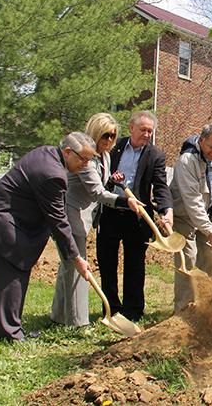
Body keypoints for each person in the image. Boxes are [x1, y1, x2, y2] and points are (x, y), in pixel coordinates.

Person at [0, 132, 94, 341]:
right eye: (83, 159)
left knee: (16, 277)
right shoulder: (53, 173)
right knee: (10, 279)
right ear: (68, 152)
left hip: (11, 220)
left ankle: (11, 330)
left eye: (90, 160)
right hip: (3, 221)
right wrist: (76, 258)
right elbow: (58, 220)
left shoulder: (46, 153)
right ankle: (8, 335)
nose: (86, 165)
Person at [50, 113, 142, 327]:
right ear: (95, 133)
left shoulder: (105, 156)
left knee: (69, 267)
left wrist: (111, 180)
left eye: (113, 136)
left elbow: (102, 185)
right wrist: (125, 201)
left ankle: (58, 316)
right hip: (72, 216)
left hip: (85, 216)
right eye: (105, 135)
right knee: (76, 269)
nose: (109, 140)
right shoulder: (88, 160)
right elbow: (96, 193)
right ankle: (76, 322)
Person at [96, 110, 173, 322]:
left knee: (135, 265)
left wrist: (167, 210)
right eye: (143, 130)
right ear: (131, 128)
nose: (147, 134)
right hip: (111, 214)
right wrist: (112, 180)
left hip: (137, 219)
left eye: (150, 131)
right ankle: (110, 308)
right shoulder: (114, 148)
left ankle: (133, 310)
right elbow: (101, 181)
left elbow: (160, 186)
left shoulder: (155, 155)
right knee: (107, 263)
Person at [170, 123, 212, 312]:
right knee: (187, 261)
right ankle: (184, 310)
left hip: (209, 215)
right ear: (201, 141)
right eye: (211, 147)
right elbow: (192, 200)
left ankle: (211, 307)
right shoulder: (187, 161)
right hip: (185, 216)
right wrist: (209, 229)